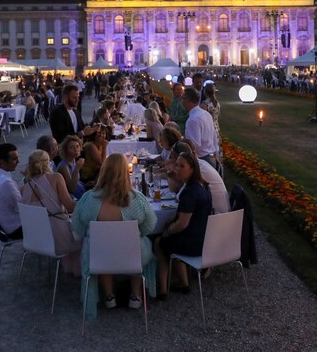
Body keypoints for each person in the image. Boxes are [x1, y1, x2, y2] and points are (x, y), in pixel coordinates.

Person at [72, 153, 157, 315]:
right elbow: (150, 225)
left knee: (99, 246)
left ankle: (110, 296)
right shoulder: (136, 199)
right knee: (140, 243)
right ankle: (135, 295)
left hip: (99, 256)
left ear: (103, 171)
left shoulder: (88, 199)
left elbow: (78, 228)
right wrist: (137, 234)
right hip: (132, 255)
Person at [154, 149, 212, 297]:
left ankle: (161, 290)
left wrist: (166, 232)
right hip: (204, 239)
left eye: (182, 166)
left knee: (159, 242)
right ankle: (183, 283)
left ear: (192, 169)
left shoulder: (190, 193)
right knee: (171, 235)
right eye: (177, 165)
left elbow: (182, 224)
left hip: (194, 244)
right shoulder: (202, 186)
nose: (177, 169)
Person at [20, 150, 82, 276]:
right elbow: (70, 207)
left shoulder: (24, 189)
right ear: (48, 164)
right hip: (59, 239)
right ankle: (83, 272)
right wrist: (85, 201)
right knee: (87, 234)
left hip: (36, 239)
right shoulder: (56, 178)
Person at [182, 87, 219, 169]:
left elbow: (194, 146)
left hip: (202, 160)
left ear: (188, 100)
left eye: (183, 98)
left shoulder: (192, 120)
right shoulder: (206, 114)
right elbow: (214, 137)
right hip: (211, 158)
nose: (182, 101)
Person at [56, 135, 85, 199]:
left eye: (77, 146)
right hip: (76, 198)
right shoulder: (64, 166)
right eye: (72, 147)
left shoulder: (73, 161)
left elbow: (77, 181)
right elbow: (71, 188)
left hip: (82, 190)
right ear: (66, 150)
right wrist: (77, 168)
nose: (76, 149)